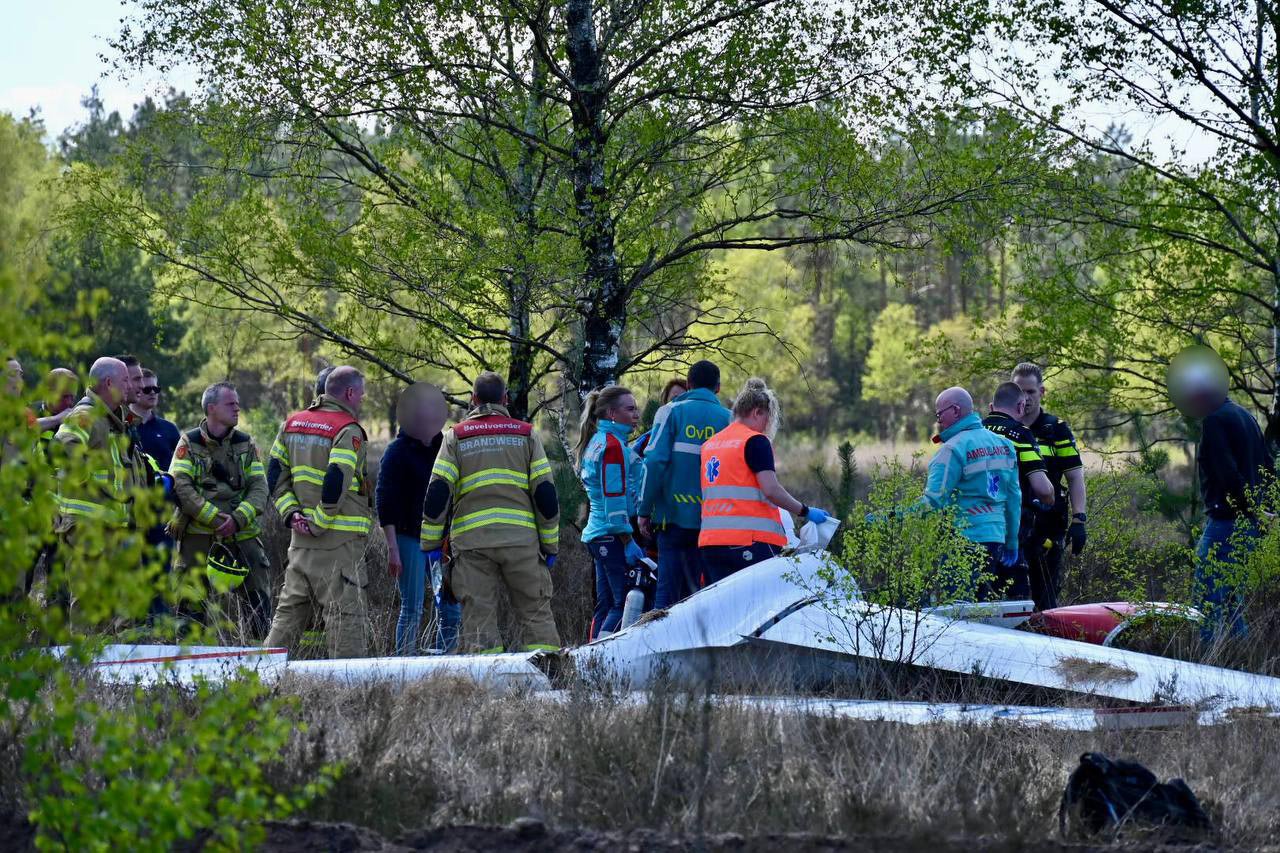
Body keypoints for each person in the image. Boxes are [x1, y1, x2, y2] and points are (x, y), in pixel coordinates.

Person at [420, 371, 560, 654]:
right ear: (505, 399)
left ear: (473, 400)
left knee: (478, 622)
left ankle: (488, 685)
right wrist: (550, 544)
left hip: (473, 545)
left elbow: (437, 493)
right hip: (521, 543)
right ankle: (551, 676)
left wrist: (431, 545)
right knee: (536, 614)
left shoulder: (455, 437)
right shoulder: (526, 434)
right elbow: (545, 494)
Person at [264, 365, 375, 657]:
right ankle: (349, 691)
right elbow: (336, 477)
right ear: (349, 393)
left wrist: (292, 516)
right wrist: (319, 522)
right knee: (346, 620)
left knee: (287, 616)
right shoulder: (347, 429)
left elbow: (275, 476)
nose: (362, 399)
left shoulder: (291, 424)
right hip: (338, 545)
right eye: (361, 393)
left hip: (300, 544)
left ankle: (259, 682)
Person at [698, 378, 829, 581]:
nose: (768, 425)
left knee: (725, 611)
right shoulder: (755, 441)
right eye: (769, 417)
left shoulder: (710, 445)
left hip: (710, 544)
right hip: (749, 542)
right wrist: (806, 511)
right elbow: (771, 490)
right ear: (757, 412)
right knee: (756, 608)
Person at [168, 382, 273, 637]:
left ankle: (261, 660)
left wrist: (237, 519)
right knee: (190, 603)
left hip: (242, 533)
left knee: (259, 602)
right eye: (231, 404)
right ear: (211, 409)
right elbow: (180, 486)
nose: (237, 408)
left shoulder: (245, 443)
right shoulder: (189, 443)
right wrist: (213, 519)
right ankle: (188, 664)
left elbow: (260, 487)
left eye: (237, 403)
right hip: (199, 535)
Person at [638, 360, 732, 608]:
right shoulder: (730, 420)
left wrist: (644, 511)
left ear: (689, 384)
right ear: (718, 388)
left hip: (672, 520)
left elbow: (655, 462)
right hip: (714, 524)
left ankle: (661, 646)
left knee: (667, 598)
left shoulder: (670, 412)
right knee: (701, 600)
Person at [52, 358, 153, 583]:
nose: (130, 385)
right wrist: (100, 487)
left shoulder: (115, 421)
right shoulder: (87, 415)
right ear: (109, 383)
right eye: (125, 380)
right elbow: (63, 444)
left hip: (115, 529)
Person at [916, 386, 1022, 600]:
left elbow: (932, 503)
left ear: (955, 411)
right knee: (981, 608)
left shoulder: (951, 450)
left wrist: (891, 516)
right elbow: (1013, 499)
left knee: (958, 612)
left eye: (939, 414)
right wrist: (1011, 541)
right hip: (995, 541)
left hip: (964, 541)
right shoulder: (1005, 445)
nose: (938, 421)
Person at [1187, 381, 1275, 638]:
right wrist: (1267, 510)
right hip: (1249, 524)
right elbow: (1268, 466)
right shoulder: (1245, 415)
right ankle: (1242, 660)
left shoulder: (1214, 420)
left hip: (1227, 522)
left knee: (1207, 598)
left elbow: (1228, 474)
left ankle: (1204, 667)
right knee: (1230, 601)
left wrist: (1257, 511)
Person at [376, 382, 454, 655]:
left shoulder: (445, 447)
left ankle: (445, 664)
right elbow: (385, 502)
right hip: (409, 538)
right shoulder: (396, 452)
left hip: (443, 541)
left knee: (450, 608)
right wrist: (392, 548)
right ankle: (404, 665)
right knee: (412, 607)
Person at [1012, 363, 1087, 609]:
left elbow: (1075, 477)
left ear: (1042, 392)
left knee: (1045, 600)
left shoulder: (1056, 429)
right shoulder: (1003, 428)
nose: (1025, 398)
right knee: (1009, 600)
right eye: (1019, 391)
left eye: (1031, 392)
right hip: (1009, 526)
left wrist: (1079, 520)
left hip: (1047, 526)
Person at [577, 385, 644, 639]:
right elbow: (614, 497)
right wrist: (627, 539)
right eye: (630, 409)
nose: (636, 414)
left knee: (604, 605)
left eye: (636, 408)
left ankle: (590, 655)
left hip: (597, 534)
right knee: (622, 602)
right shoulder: (612, 446)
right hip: (611, 534)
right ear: (612, 414)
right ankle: (604, 661)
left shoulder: (598, 441)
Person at [983, 381, 1055, 608]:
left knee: (978, 601)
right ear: (1021, 406)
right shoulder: (1021, 434)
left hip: (974, 527)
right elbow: (1043, 489)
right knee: (1016, 604)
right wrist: (1048, 501)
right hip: (1011, 529)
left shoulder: (974, 432)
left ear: (992, 406)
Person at [130, 368, 182, 470]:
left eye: (156, 389)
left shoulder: (170, 428)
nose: (153, 392)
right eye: (147, 389)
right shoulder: (122, 426)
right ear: (135, 390)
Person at [631, 378, 689, 457]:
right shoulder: (648, 441)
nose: (678, 404)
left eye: (683, 399)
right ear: (665, 402)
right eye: (674, 399)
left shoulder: (695, 435)